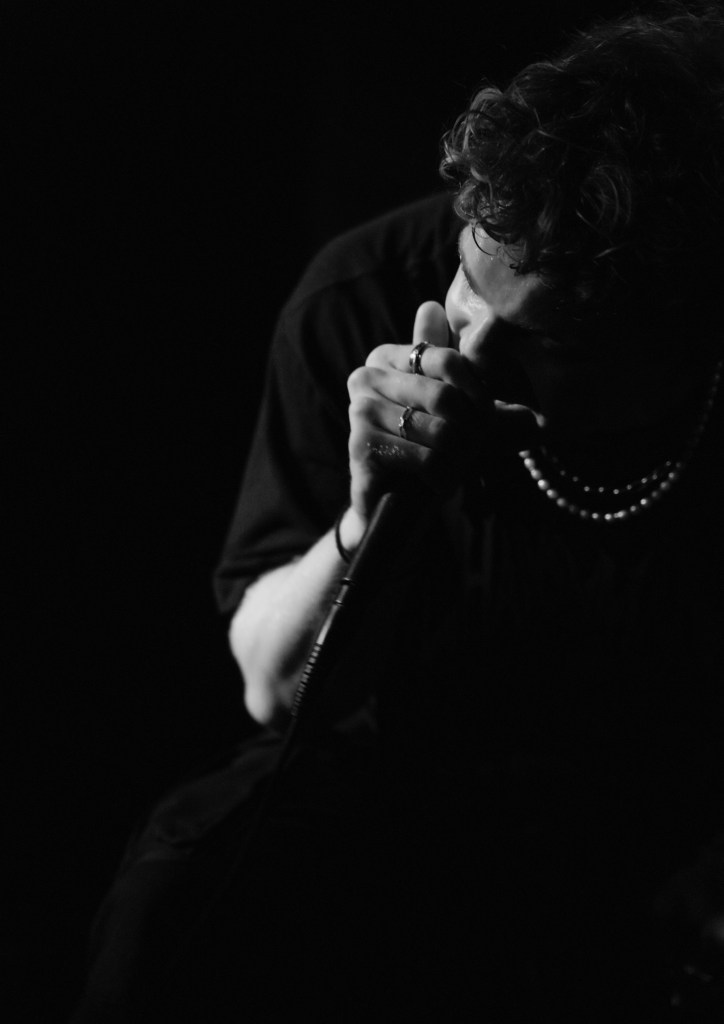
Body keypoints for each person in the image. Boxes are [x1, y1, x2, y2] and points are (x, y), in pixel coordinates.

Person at [73, 3, 724, 1021]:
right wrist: (371, 513)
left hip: (653, 809)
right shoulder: (356, 299)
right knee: (178, 899)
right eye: (468, 281)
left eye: (541, 341)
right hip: (386, 781)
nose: (471, 350)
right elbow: (271, 687)